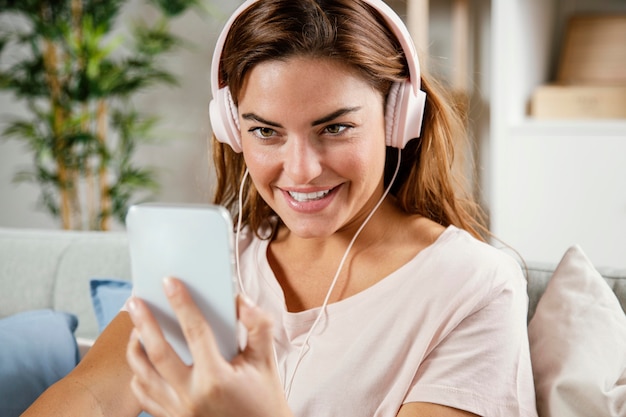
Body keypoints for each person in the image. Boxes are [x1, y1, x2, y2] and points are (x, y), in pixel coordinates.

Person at [23, 0, 538, 416]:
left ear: (396, 119)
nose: (301, 170)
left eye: (335, 127)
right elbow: (90, 396)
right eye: (265, 132)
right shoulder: (208, 268)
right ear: (233, 133)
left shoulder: (474, 286)